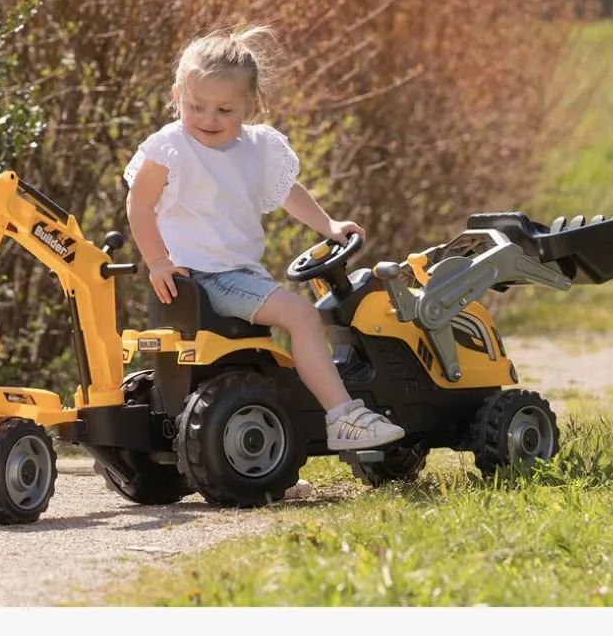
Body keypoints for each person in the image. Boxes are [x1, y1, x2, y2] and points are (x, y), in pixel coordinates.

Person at [124, 27, 406, 452]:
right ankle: (343, 416)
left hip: (242, 275)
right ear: (177, 95)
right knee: (303, 317)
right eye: (196, 107)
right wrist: (158, 260)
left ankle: (278, 435)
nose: (208, 119)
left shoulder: (258, 146)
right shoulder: (171, 147)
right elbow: (140, 204)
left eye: (224, 109)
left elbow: (288, 190)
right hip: (203, 276)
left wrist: (329, 226)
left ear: (250, 104)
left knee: (273, 348)